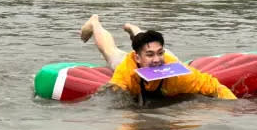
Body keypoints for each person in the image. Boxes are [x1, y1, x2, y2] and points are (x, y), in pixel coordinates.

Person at [80, 14, 236, 103]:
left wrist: (233, 106)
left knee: (150, 44)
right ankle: (95, 23)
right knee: (110, 52)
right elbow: (111, 98)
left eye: (159, 53)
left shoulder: (177, 71)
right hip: (132, 66)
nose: (156, 60)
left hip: (167, 59)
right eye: (149, 56)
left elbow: (214, 86)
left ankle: (134, 29)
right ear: (137, 58)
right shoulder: (126, 71)